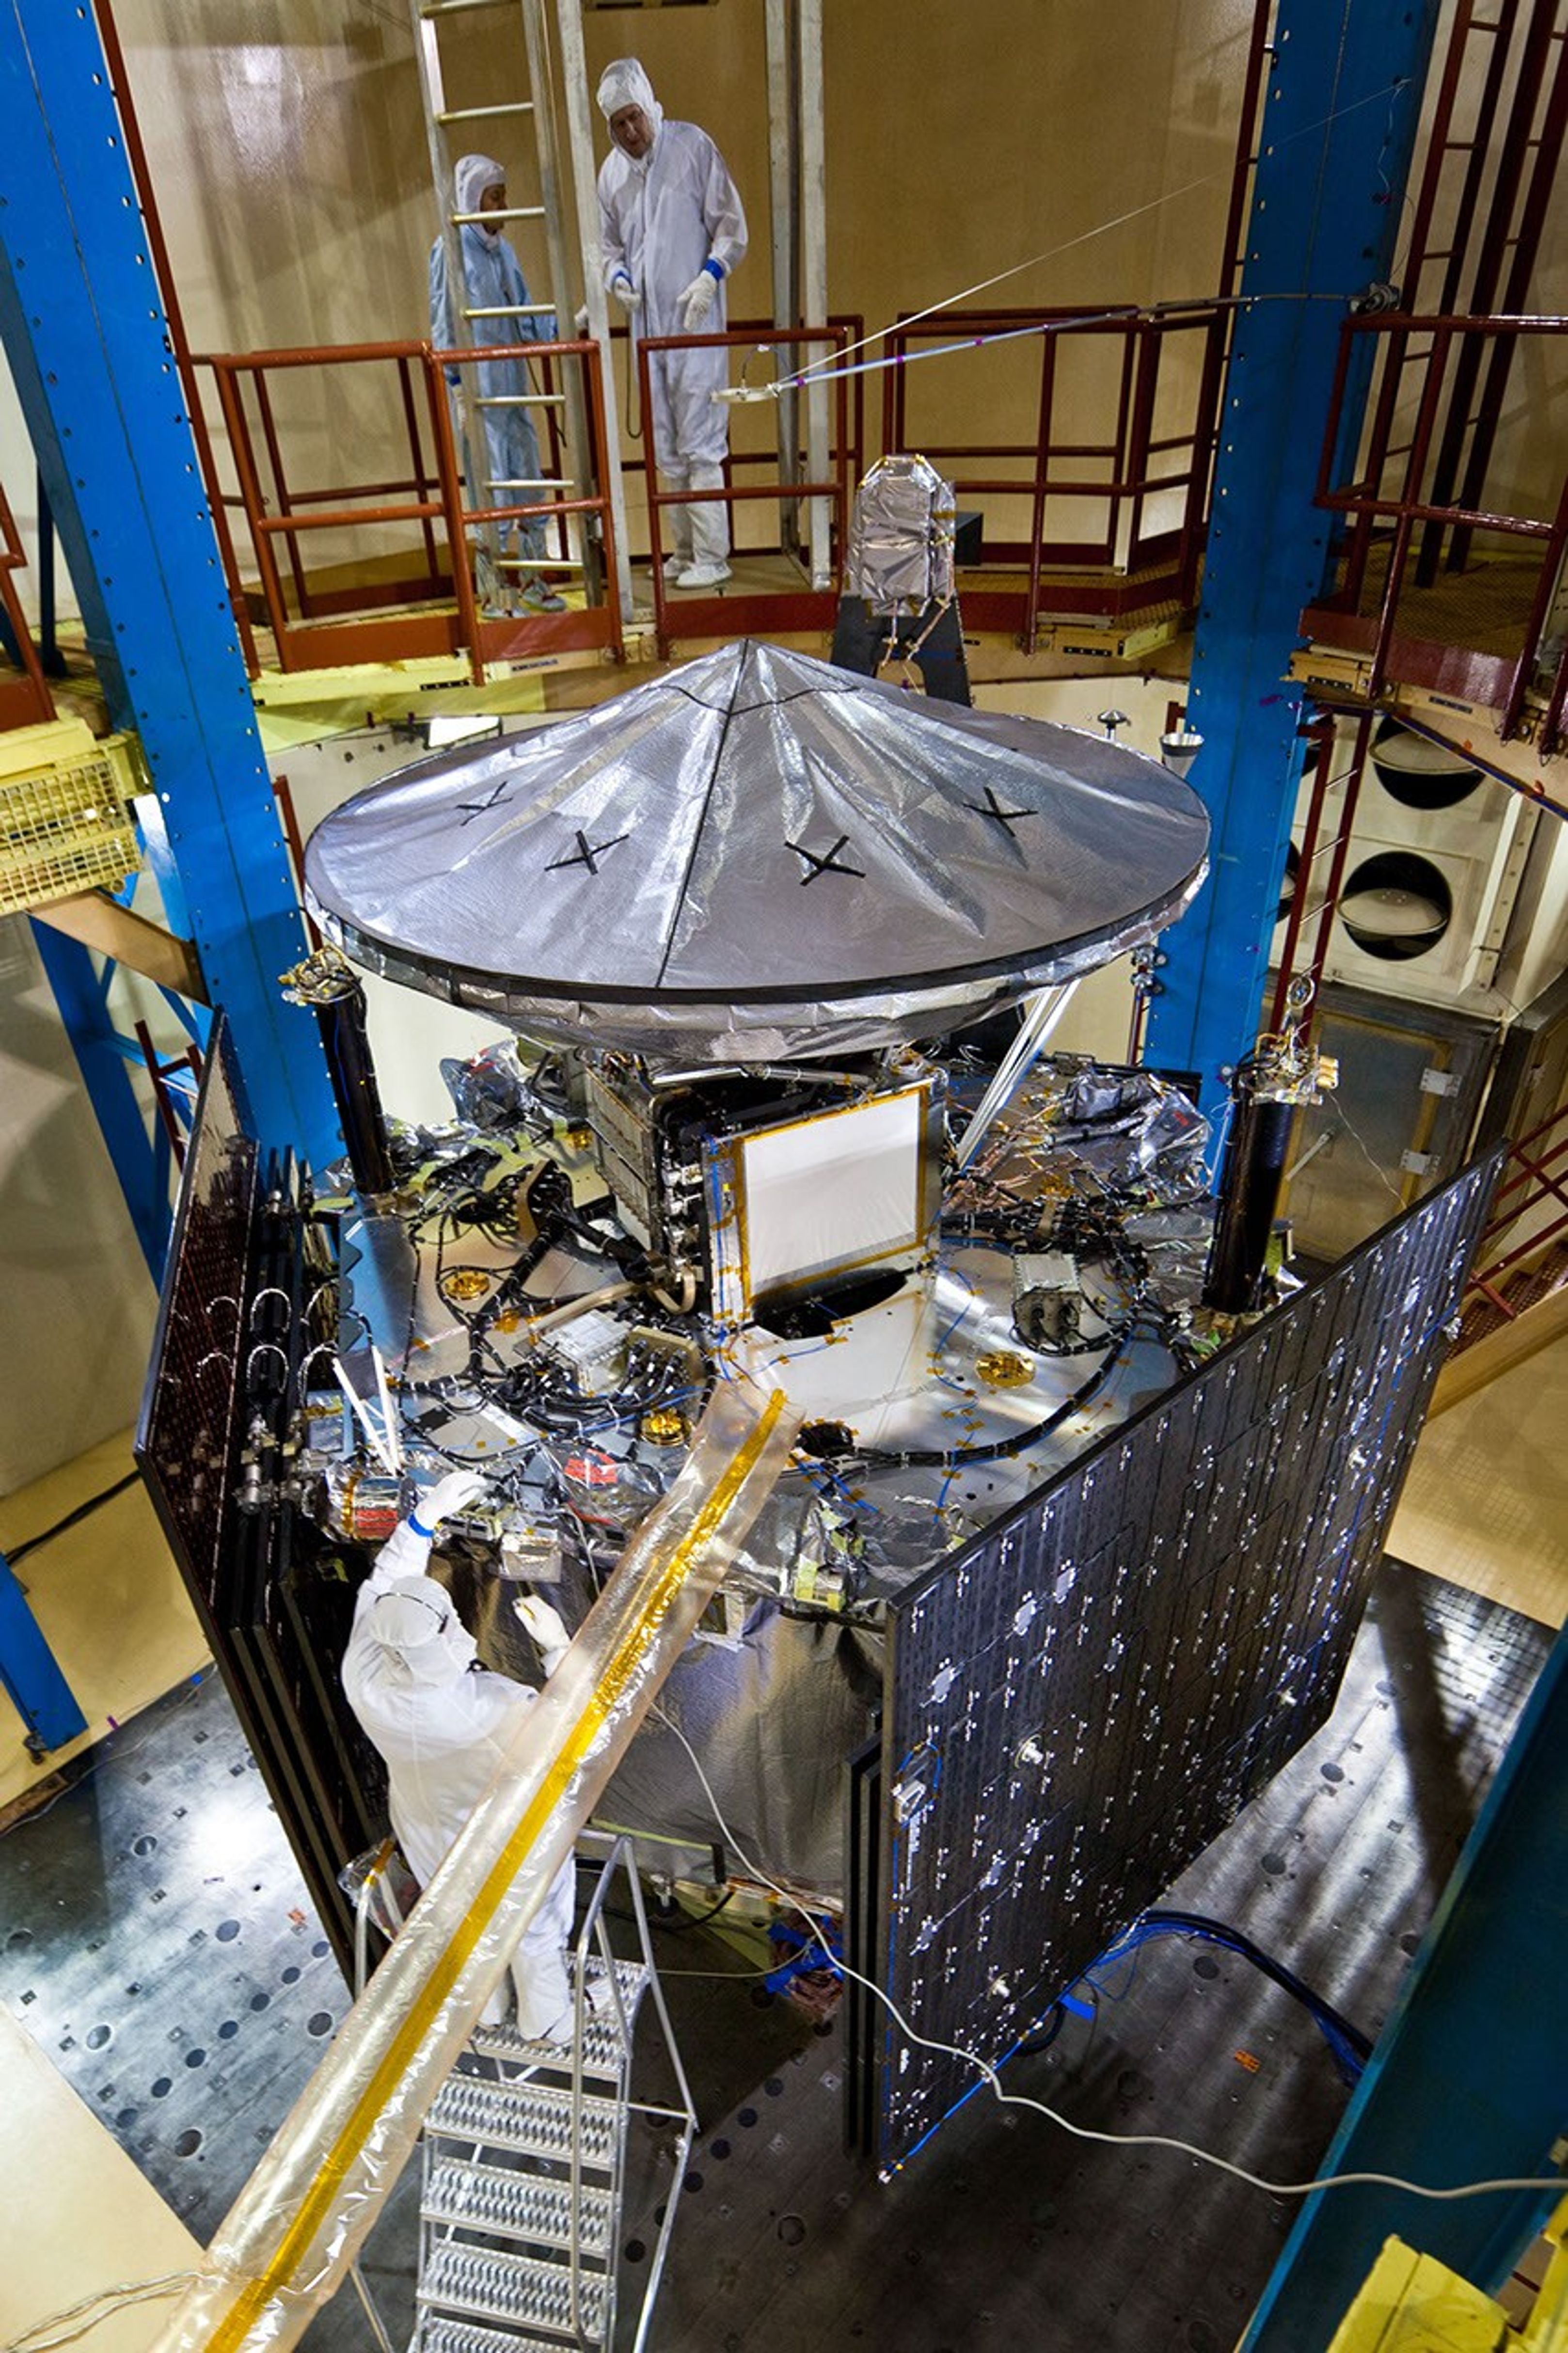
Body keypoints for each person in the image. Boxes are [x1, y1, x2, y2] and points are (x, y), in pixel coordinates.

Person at [341, 1468, 581, 2039]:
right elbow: (581, 1730)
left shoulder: (365, 1668)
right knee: (533, 1930)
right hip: (508, 1843)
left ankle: (488, 2007)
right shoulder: (492, 1715)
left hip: (424, 1826)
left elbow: (385, 1586)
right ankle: (547, 2025)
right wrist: (558, 1648)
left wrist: (425, 1517)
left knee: (464, 1924)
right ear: (453, 1638)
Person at [595, 58, 747, 589]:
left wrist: (710, 276)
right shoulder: (611, 175)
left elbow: (730, 226)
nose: (630, 132)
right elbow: (608, 245)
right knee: (665, 442)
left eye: (634, 117)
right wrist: (615, 278)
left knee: (700, 438)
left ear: (649, 107)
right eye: (619, 124)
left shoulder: (691, 148)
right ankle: (685, 552)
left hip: (695, 324)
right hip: (648, 332)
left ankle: (712, 554)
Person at [430, 154, 567, 615]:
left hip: (512, 390)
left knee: (527, 480)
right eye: (495, 196)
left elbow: (523, 308)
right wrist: (456, 383)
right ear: (473, 199)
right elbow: (442, 317)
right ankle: (491, 591)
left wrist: (560, 325)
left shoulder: (503, 252)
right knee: (490, 490)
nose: (504, 205)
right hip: (478, 391)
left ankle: (534, 581)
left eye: (505, 195)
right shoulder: (449, 251)